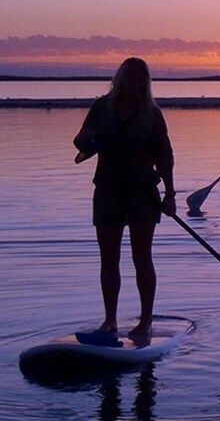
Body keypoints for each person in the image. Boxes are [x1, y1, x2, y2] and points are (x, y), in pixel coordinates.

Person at [73, 58, 175, 343]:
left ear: (146, 83)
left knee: (141, 257)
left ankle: (145, 320)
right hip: (108, 190)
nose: (134, 83)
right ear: (120, 79)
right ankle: (110, 320)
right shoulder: (101, 108)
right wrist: (83, 140)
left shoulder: (152, 115)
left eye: (140, 79)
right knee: (109, 258)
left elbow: (164, 155)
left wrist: (170, 194)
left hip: (142, 193)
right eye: (130, 77)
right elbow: (82, 142)